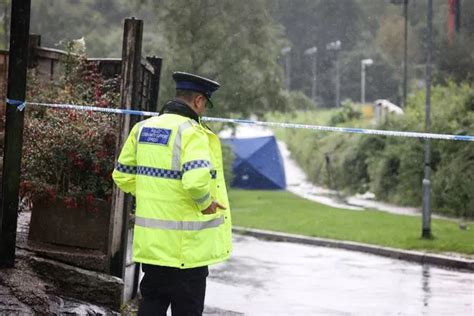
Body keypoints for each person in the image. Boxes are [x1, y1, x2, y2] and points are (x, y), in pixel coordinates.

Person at [112, 72, 232, 316]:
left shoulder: (142, 129)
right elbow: (197, 182)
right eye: (205, 105)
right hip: (187, 251)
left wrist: (152, 192)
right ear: (198, 101)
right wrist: (206, 203)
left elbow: (122, 175)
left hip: (153, 248)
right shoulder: (192, 133)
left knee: (152, 305)